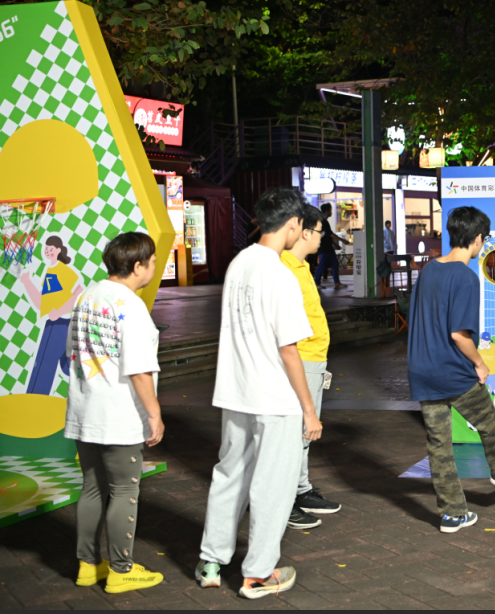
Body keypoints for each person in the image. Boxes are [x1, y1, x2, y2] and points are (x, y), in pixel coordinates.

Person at [195, 188, 322, 599]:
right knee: (273, 485)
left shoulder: (239, 263)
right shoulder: (281, 274)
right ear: (293, 225)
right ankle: (258, 574)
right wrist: (309, 409)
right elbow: (289, 349)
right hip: (275, 398)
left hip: (236, 391)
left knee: (229, 474)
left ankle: (211, 561)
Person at [407, 206, 495, 534]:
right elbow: (459, 335)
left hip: (422, 370)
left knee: (439, 445)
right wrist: (480, 363)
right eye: (483, 240)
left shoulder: (429, 270)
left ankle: (452, 515)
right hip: (452, 372)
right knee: (488, 421)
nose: (482, 245)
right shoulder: (465, 277)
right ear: (477, 239)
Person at [64, 231, 164, 593]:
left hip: (85, 408)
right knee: (125, 490)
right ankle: (122, 570)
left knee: (92, 488)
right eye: (152, 262)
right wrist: (154, 413)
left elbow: (71, 350)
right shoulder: (131, 306)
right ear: (137, 266)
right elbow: (138, 369)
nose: (154, 267)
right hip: (119, 414)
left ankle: (88, 566)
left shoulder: (86, 296)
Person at [280, 203, 342, 529]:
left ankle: (300, 489)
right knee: (297, 432)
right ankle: (285, 499)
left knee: (304, 434)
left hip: (314, 358)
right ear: (304, 232)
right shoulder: (283, 268)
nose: (323, 237)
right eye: (320, 232)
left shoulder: (301, 265)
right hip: (300, 358)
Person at [20, 235, 84, 395]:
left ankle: (35, 399)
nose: (48, 251)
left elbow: (79, 291)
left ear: (59, 250)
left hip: (60, 323)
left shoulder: (63, 270)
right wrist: (27, 282)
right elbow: (42, 303)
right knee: (67, 365)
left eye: (51, 248)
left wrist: (59, 312)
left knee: (44, 364)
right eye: (46, 248)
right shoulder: (51, 270)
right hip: (56, 322)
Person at [313, 203, 345, 289]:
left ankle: (337, 283)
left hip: (328, 247)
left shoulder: (324, 221)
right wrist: (342, 240)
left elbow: (328, 235)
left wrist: (335, 244)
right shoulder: (323, 221)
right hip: (323, 248)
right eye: (330, 210)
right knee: (322, 265)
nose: (331, 212)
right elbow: (330, 234)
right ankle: (317, 283)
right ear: (326, 211)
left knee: (335, 264)